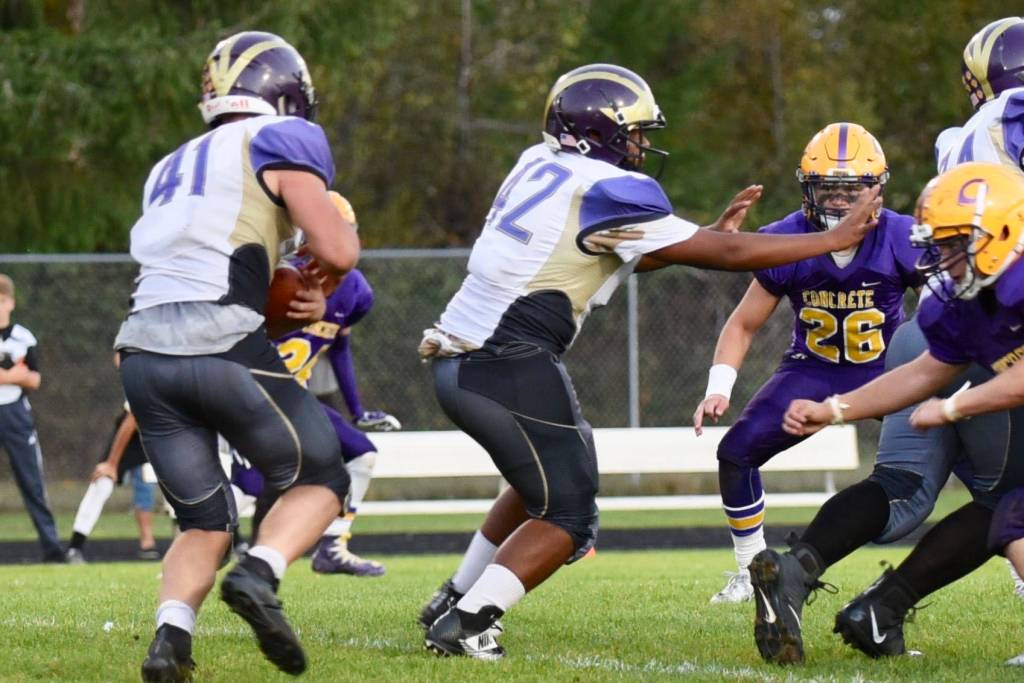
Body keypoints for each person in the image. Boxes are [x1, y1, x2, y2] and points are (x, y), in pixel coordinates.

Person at [415, 63, 882, 660]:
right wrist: (830, 239)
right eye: (634, 131)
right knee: (569, 515)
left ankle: (454, 596)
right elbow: (734, 253)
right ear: (599, 132)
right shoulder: (610, 187)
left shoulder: (539, 165)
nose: (641, 144)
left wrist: (701, 235)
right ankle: (469, 621)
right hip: (508, 361)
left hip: (459, 360)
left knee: (545, 482)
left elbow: (622, 251)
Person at [114, 31, 359, 681]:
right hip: (219, 343)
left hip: (141, 352)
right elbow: (337, 249)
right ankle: (259, 573)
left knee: (203, 518)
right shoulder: (283, 138)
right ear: (284, 92)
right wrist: (315, 283)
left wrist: (279, 293)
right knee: (322, 477)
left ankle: (171, 640)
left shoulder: (168, 165)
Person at [779, 162, 1024, 663]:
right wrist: (835, 409)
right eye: (939, 242)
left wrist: (956, 405)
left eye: (956, 242)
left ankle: (883, 607)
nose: (943, 257)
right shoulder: (961, 300)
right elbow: (925, 372)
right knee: (1009, 513)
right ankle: (881, 610)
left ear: (1002, 229)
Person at [690, 123, 921, 605]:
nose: (838, 203)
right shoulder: (786, 238)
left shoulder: (902, 236)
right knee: (735, 453)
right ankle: (750, 570)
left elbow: (947, 308)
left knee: (982, 462)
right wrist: (719, 386)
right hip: (811, 369)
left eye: (850, 190)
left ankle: (1015, 566)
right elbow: (743, 324)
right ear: (807, 188)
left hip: (887, 371)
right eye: (827, 189)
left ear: (876, 189)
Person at [263, 217, 401, 576]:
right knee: (245, 488)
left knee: (361, 454)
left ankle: (332, 546)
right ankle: (204, 550)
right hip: (252, 392)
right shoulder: (281, 278)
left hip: (294, 396)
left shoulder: (356, 290)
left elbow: (338, 346)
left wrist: (356, 410)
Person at [0, 274, 63, 563]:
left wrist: (13, 377)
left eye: (1, 300)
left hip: (14, 414)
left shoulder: (23, 337)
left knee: (32, 482)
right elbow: (20, 375)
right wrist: (13, 375)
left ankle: (52, 548)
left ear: (11, 302)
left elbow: (34, 379)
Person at [66, 395, 160, 564]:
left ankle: (151, 543)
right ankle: (75, 546)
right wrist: (111, 463)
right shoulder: (149, 378)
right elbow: (131, 421)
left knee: (149, 482)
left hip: (162, 437)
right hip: (130, 438)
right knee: (103, 481)